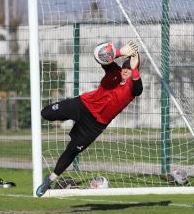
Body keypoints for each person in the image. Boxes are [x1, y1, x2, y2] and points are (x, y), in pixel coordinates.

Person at [35, 41, 142, 197]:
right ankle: (65, 117)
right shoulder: (114, 71)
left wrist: (134, 68)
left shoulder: (133, 87)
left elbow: (139, 90)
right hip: (83, 105)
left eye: (129, 68)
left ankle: (50, 179)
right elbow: (99, 54)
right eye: (124, 67)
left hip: (94, 125)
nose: (125, 70)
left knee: (72, 151)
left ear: (134, 70)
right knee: (46, 113)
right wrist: (119, 52)